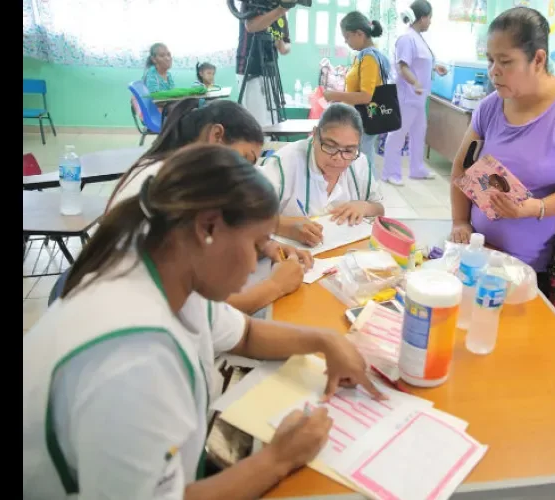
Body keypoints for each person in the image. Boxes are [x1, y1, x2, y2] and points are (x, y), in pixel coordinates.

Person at [24, 144, 384, 499]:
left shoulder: (168, 270)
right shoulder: (133, 362)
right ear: (207, 228)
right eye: (256, 244)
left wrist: (326, 340)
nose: (253, 267)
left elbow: (246, 334)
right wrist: (279, 458)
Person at [48, 99, 310, 316]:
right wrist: (275, 286)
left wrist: (266, 246)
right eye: (243, 160)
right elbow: (201, 311)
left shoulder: (185, 174)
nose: (242, 174)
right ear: (216, 135)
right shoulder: (167, 190)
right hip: (111, 314)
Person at [449, 7, 555, 319]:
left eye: (505, 61)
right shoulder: (490, 108)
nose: (493, 71)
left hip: (539, 271)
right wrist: (461, 221)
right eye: (490, 60)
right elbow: (462, 168)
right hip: (485, 258)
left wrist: (536, 208)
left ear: (538, 59)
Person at [260, 103, 385, 247]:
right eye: (330, 146)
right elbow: (244, 217)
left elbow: (379, 209)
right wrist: (285, 226)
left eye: (349, 150)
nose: (338, 157)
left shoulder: (359, 163)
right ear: (314, 135)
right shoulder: (285, 164)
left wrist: (365, 206)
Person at [380, 0, 448, 186]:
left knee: (419, 132)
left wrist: (436, 68)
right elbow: (403, 67)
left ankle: (417, 169)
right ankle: (390, 172)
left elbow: (421, 65)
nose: (430, 22)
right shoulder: (406, 38)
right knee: (398, 134)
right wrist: (416, 83)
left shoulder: (419, 38)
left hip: (418, 98)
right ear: (422, 17)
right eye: (430, 18)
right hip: (406, 96)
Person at [323, 12, 393, 165]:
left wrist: (335, 95)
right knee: (363, 160)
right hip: (366, 116)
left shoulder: (369, 57)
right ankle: (365, 187)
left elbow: (366, 96)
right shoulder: (368, 55)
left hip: (366, 117)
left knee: (363, 163)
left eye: (347, 36)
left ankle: (369, 189)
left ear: (359, 34)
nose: (346, 41)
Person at [237, 1, 292, 127]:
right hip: (250, 69)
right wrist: (281, 9)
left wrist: (282, 46)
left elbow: (287, 44)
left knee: (273, 122)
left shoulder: (281, 13)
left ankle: (270, 146)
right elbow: (251, 26)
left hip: (271, 70)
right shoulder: (253, 3)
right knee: (256, 122)